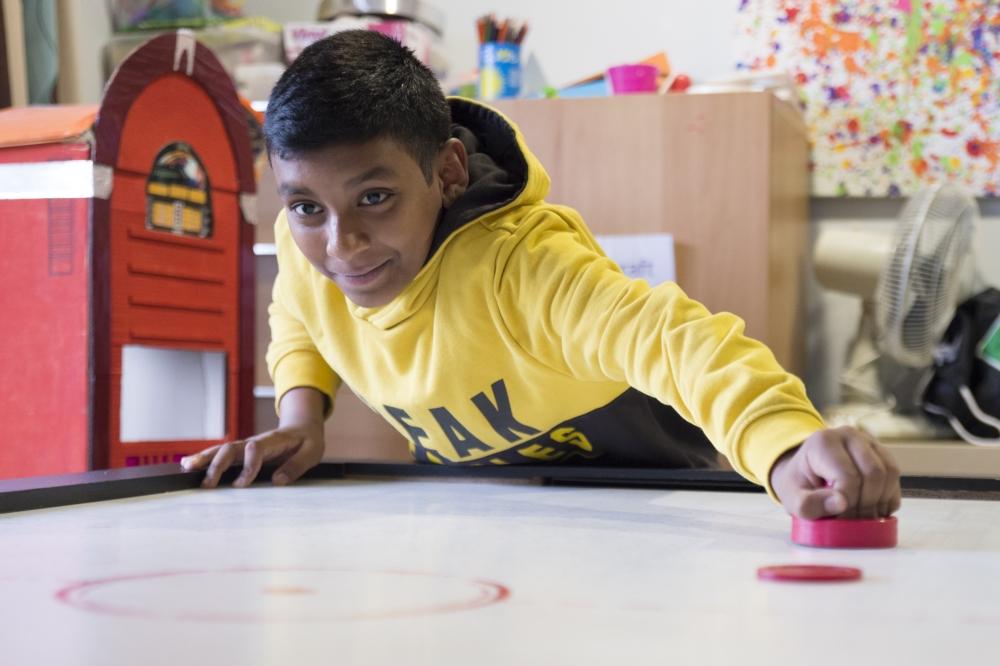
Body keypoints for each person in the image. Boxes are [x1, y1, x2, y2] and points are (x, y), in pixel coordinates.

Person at [181, 30, 901, 520]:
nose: (343, 245)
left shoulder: (520, 265)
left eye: (375, 197)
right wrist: (302, 418)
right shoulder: (303, 242)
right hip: (486, 515)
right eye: (307, 206)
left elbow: (677, 341)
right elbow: (299, 314)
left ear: (448, 172)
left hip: (643, 514)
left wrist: (785, 446)